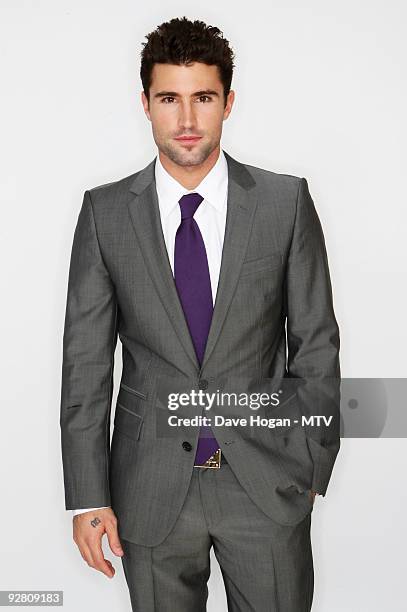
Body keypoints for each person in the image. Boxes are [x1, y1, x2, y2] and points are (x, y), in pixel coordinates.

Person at [60, 16, 340, 611]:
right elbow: (86, 366)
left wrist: (312, 461)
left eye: (203, 98)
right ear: (146, 104)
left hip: (264, 481)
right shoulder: (106, 215)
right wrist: (88, 497)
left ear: (228, 103)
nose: (186, 120)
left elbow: (315, 344)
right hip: (151, 487)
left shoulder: (284, 204)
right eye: (169, 99)